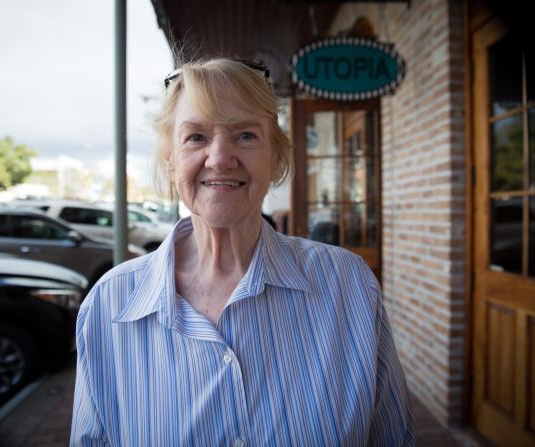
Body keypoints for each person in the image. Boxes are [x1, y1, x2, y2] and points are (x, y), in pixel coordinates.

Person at [70, 58, 414, 446]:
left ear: (276, 157)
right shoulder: (108, 306)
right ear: (170, 161)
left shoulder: (347, 285)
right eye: (196, 137)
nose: (219, 158)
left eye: (246, 135)